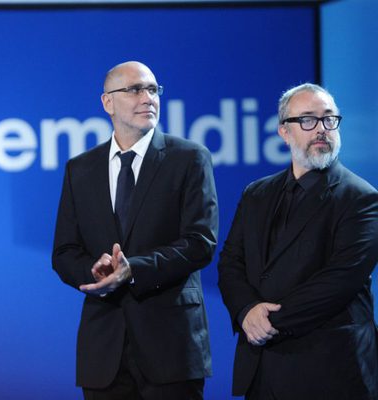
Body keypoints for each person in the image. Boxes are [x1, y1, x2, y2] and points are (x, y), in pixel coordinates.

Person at [52, 61, 218, 400]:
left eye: (153, 90)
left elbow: (200, 242)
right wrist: (92, 271)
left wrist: (134, 271)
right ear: (107, 102)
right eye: (135, 90)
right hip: (104, 351)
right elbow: (64, 251)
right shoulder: (80, 169)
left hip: (170, 348)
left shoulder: (189, 158)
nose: (148, 98)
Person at [218, 83, 378, 400]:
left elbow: (339, 281)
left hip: (328, 366)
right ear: (284, 131)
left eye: (328, 119)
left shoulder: (361, 198)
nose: (321, 129)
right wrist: (246, 311)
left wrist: (265, 322)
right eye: (307, 120)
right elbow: (231, 263)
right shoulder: (257, 194)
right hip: (262, 369)